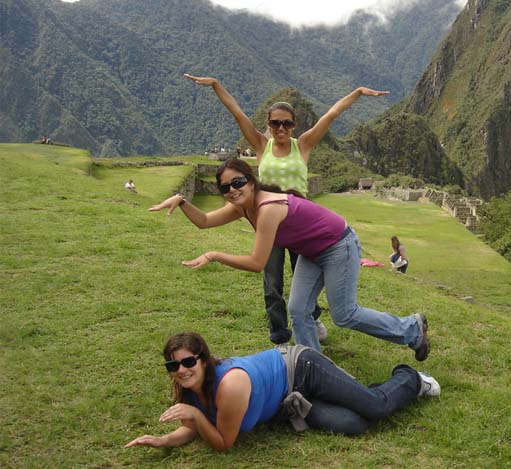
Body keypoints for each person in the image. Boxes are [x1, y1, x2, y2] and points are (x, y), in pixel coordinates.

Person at [148, 159, 430, 360]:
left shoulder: (267, 208)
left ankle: (411, 329)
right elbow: (205, 221)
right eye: (225, 188)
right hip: (313, 252)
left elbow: (257, 262)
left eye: (238, 182)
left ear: (251, 181)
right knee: (297, 312)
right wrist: (182, 201)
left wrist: (214, 254)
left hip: (339, 245)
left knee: (344, 314)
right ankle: (314, 368)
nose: (232, 190)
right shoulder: (242, 206)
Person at [184, 73, 389, 348]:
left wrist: (358, 92)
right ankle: (280, 338)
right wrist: (216, 85)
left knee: (305, 279)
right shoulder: (260, 145)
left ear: (294, 126)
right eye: (275, 123)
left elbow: (331, 114)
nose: (280, 128)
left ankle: (312, 319)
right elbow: (236, 112)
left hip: (298, 223)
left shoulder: (302, 145)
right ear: (267, 125)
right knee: (271, 282)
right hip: (269, 224)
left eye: (286, 123)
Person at [124, 332, 439, 450]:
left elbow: (222, 442)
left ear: (204, 359)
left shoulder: (229, 385)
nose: (181, 370)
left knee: (375, 408)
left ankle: (409, 378)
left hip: (301, 368)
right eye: (173, 366)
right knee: (355, 425)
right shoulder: (191, 387)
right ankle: (357, 392)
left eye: (188, 362)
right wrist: (164, 440)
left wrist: (193, 415)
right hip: (288, 402)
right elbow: (194, 429)